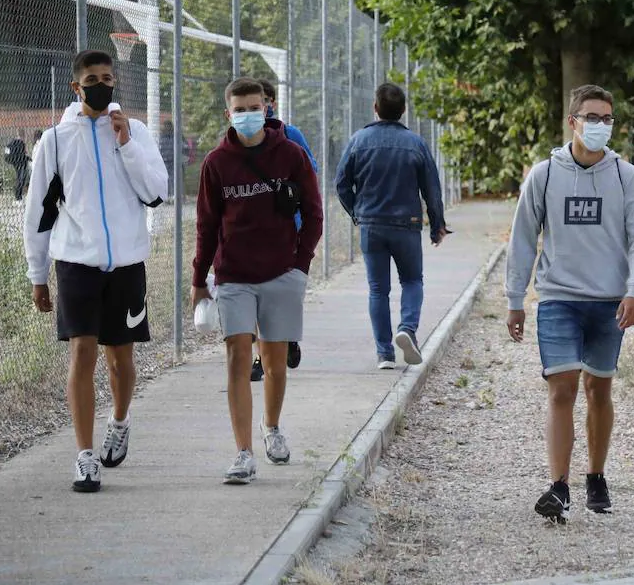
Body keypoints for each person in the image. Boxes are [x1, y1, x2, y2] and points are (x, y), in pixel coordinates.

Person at [505, 84, 634, 522]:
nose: (600, 126)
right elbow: (522, 238)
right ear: (572, 121)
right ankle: (559, 486)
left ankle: (596, 475)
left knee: (599, 389)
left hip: (610, 301)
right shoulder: (544, 175)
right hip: (558, 299)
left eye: (607, 119)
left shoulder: (626, 176)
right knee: (562, 388)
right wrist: (515, 298)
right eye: (592, 118)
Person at [23, 50, 170, 493]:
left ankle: (120, 421)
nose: (101, 85)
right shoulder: (55, 140)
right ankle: (85, 456)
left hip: (126, 264)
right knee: (82, 353)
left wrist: (125, 144)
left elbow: (157, 192)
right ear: (77, 86)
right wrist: (37, 272)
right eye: (92, 78)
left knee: (120, 361)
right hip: (76, 264)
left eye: (107, 77)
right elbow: (38, 213)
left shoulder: (136, 131)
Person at [191, 77, 322, 484]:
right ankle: (243, 452)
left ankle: (273, 427)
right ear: (227, 113)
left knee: (276, 364)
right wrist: (199, 278)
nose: (248, 114)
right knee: (236, 359)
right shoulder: (216, 162)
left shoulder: (292, 155)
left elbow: (315, 214)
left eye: (255, 107)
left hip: (282, 274)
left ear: (267, 108)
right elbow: (206, 225)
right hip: (233, 277)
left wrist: (300, 266)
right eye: (239, 108)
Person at [335, 83, 449, 369]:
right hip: (406, 225)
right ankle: (407, 329)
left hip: (371, 225)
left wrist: (357, 212)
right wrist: (437, 225)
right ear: (403, 111)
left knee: (378, 290)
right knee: (412, 280)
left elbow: (341, 183)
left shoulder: (359, 140)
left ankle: (384, 354)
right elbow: (431, 190)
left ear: (375, 108)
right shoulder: (416, 143)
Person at [248, 79, 316, 380]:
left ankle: (286, 337)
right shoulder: (239, 139)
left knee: (281, 293)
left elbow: (310, 169)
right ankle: (260, 357)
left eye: (261, 102)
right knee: (253, 294)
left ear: (270, 102)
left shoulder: (291, 134)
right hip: (252, 230)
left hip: (289, 227)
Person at [5, 130, 30, 202]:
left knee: (19, 178)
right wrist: (28, 158)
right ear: (24, 136)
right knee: (21, 179)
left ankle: (18, 197)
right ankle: (18, 197)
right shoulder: (21, 143)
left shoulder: (13, 142)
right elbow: (23, 154)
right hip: (21, 163)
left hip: (15, 163)